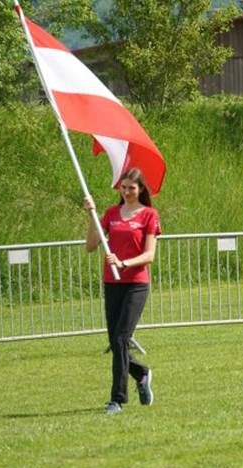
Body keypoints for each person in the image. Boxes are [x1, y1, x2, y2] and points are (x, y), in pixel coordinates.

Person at [85, 167, 161, 414]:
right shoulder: (110, 213)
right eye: (124, 187)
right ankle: (141, 373)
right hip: (112, 284)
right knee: (115, 342)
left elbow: (149, 255)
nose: (127, 191)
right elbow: (91, 246)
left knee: (121, 339)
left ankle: (116, 400)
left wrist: (124, 263)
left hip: (136, 284)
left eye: (132, 187)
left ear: (140, 190)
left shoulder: (149, 214)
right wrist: (92, 216)